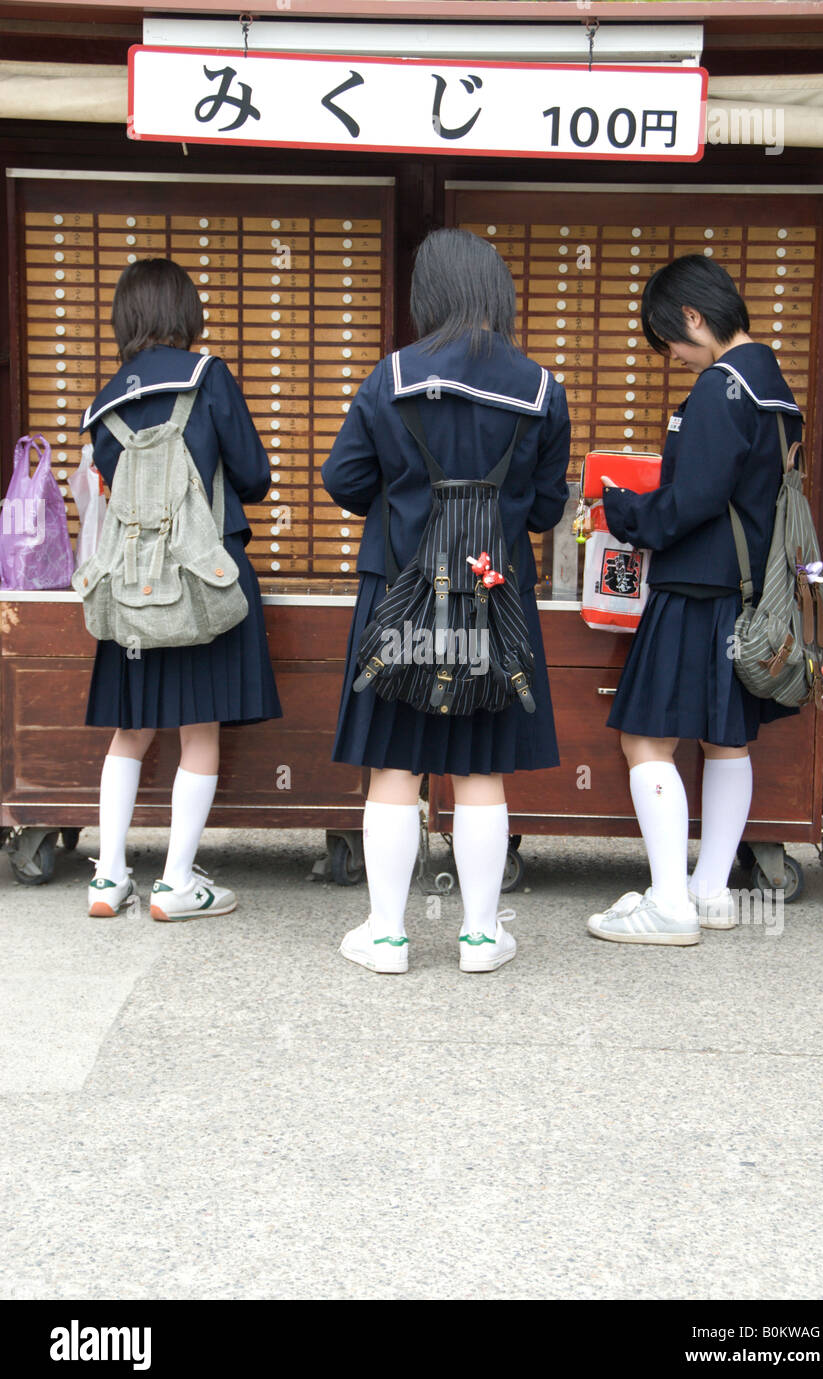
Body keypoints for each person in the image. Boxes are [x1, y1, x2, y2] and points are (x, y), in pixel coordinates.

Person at [322, 228, 570, 974]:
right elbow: (546, 509)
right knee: (479, 768)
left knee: (395, 764)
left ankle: (389, 937)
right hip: (493, 601)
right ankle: (481, 938)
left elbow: (343, 481)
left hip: (400, 597)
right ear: (498, 291)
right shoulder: (539, 387)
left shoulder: (391, 375)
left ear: (426, 294)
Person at [584, 254, 801, 946]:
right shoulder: (774, 387)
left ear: (693, 316)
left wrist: (621, 511)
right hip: (748, 593)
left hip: (696, 590)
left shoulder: (720, 387)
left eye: (670, 341)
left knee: (645, 736)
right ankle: (710, 892)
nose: (673, 358)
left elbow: (696, 499)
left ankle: (670, 904)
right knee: (726, 739)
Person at [80, 257, 281, 921]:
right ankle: (175, 882)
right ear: (185, 313)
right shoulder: (209, 377)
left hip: (131, 586)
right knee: (199, 732)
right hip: (203, 580)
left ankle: (108, 878)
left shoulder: (102, 402)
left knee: (130, 732)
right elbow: (252, 475)